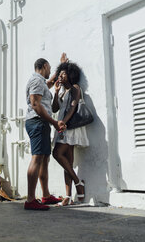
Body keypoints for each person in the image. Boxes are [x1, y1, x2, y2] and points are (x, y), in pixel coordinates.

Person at [24, 55, 67, 210]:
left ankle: (46, 196)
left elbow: (49, 83)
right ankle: (30, 200)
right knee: (37, 158)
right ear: (42, 67)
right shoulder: (36, 80)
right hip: (38, 122)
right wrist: (54, 122)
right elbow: (35, 104)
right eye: (49, 68)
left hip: (41, 123)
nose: (50, 72)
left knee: (44, 159)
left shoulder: (41, 82)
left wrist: (61, 67)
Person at [52, 62, 89, 206]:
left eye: (63, 73)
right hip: (63, 126)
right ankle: (68, 195)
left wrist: (63, 123)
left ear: (71, 75)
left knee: (57, 154)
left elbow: (73, 107)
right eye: (59, 74)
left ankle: (78, 183)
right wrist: (55, 93)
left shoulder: (75, 88)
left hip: (70, 126)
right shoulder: (62, 92)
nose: (60, 76)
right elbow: (55, 108)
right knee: (67, 161)